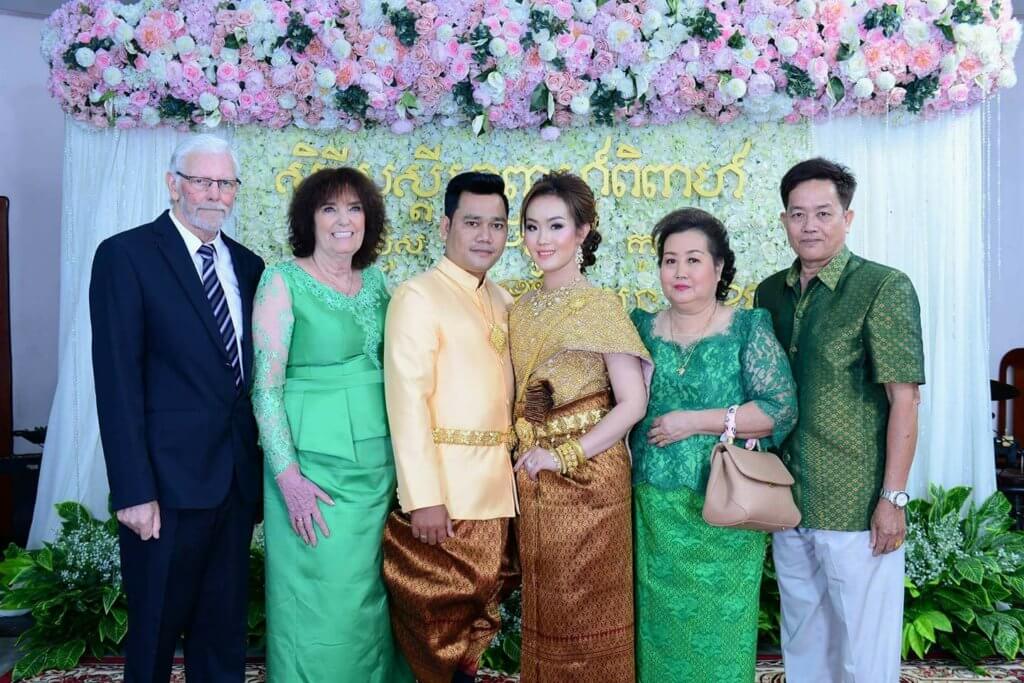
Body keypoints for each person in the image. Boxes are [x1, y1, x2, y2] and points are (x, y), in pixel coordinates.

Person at [89, 134, 264, 682]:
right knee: (156, 634)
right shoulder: (126, 256)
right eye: (202, 181)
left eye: (226, 183)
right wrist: (134, 491)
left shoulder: (250, 265)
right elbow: (116, 383)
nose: (215, 194)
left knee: (222, 636)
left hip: (233, 486)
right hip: (162, 492)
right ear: (173, 184)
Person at [756, 158, 925, 683]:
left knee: (863, 645)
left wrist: (892, 498)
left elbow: (906, 400)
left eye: (823, 213)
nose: (810, 226)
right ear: (784, 219)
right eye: (798, 214)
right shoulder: (769, 294)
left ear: (847, 218)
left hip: (855, 499)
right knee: (804, 637)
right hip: (789, 495)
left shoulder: (881, 287)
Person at [251, 167, 411, 682]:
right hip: (312, 473)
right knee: (324, 601)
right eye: (329, 209)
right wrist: (287, 478)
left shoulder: (382, 283)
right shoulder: (282, 280)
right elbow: (266, 389)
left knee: (375, 599)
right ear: (308, 220)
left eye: (355, 209)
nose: (344, 221)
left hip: (380, 469)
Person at [629, 208, 798, 682]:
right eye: (669, 260)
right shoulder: (639, 328)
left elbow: (779, 410)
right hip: (654, 509)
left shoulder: (747, 328)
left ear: (720, 267)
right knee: (658, 631)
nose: (679, 272)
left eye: (693, 260)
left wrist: (694, 422)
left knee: (720, 629)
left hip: (726, 506)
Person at [509, 172, 650, 682]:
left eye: (556, 226)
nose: (542, 240)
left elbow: (632, 403)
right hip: (535, 478)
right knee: (546, 613)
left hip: (590, 481)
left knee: (588, 612)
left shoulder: (600, 306)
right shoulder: (519, 307)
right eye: (531, 227)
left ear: (584, 231)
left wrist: (566, 455)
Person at [382, 172, 518, 683]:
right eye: (473, 222)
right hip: (446, 501)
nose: (486, 236)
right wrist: (423, 497)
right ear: (446, 226)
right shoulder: (418, 297)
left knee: (473, 636)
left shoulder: (503, 300)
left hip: (498, 498)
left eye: (498, 224)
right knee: (436, 636)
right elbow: (407, 400)